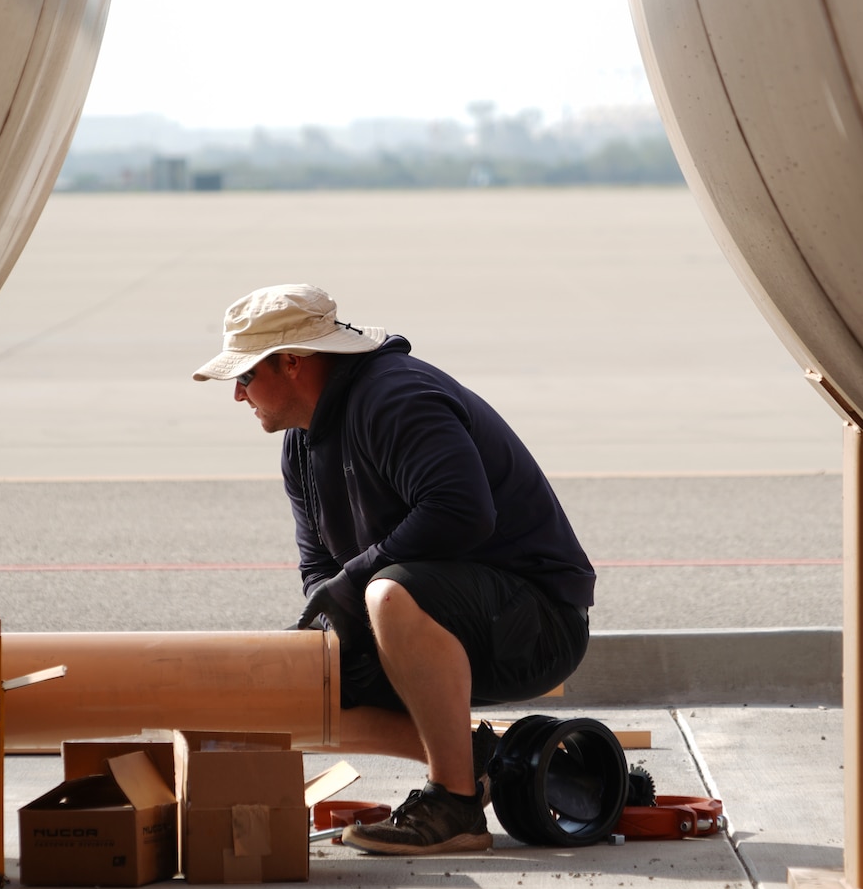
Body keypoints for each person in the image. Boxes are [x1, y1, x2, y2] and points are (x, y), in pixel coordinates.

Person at [194, 283, 594, 854]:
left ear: (291, 363)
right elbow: (320, 570)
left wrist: (353, 586)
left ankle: (454, 805)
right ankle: (479, 761)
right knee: (305, 677)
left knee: (387, 594)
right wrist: (324, 638)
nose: (237, 394)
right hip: (437, 620)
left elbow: (460, 512)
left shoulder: (396, 398)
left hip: (534, 623)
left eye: (245, 375)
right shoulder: (302, 444)